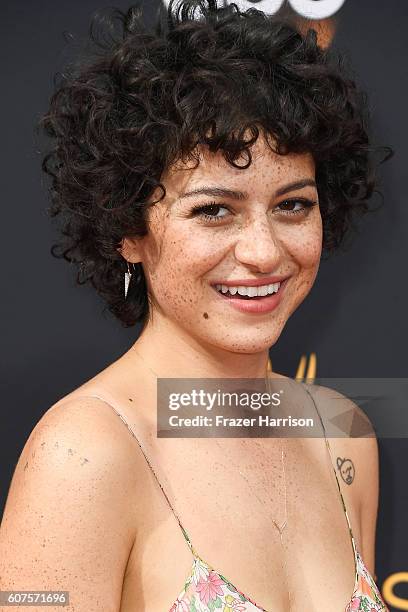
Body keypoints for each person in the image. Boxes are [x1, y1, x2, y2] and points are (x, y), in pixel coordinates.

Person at [0, 1, 392, 610]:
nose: (264, 252)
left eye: (293, 205)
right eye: (214, 210)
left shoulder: (342, 433)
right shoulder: (83, 454)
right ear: (127, 230)